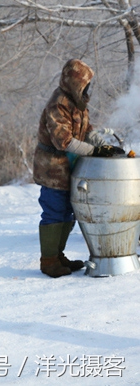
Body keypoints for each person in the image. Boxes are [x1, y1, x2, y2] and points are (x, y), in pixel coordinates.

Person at [32, 58, 124, 278]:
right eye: (84, 84)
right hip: (52, 169)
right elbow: (63, 141)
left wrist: (101, 143)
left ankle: (58, 256)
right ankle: (49, 261)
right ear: (75, 82)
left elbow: (85, 131)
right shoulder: (59, 103)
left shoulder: (76, 102)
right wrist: (94, 152)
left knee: (68, 212)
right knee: (54, 212)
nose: (87, 88)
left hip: (68, 168)